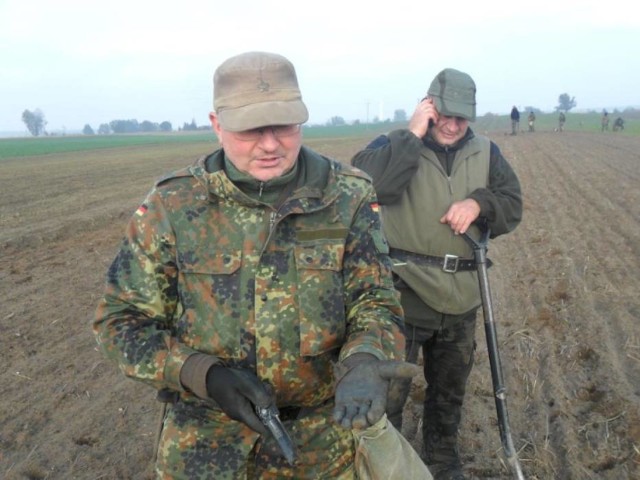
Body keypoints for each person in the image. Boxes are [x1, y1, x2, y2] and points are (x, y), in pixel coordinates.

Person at [93, 51, 418, 479]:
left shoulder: (346, 196)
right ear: (217, 125)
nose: (269, 144)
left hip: (318, 449)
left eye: (283, 126)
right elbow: (120, 322)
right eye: (250, 129)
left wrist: (365, 359)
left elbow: (375, 300)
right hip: (203, 447)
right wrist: (202, 375)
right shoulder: (172, 206)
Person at [351, 67, 523, 480]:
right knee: (390, 395)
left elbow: (512, 204)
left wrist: (479, 203)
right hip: (404, 292)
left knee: (449, 395)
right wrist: (410, 136)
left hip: (463, 294)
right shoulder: (392, 144)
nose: (451, 124)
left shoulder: (487, 152)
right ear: (428, 106)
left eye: (461, 117)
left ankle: (443, 464)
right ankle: (387, 468)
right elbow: (370, 187)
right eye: (444, 113)